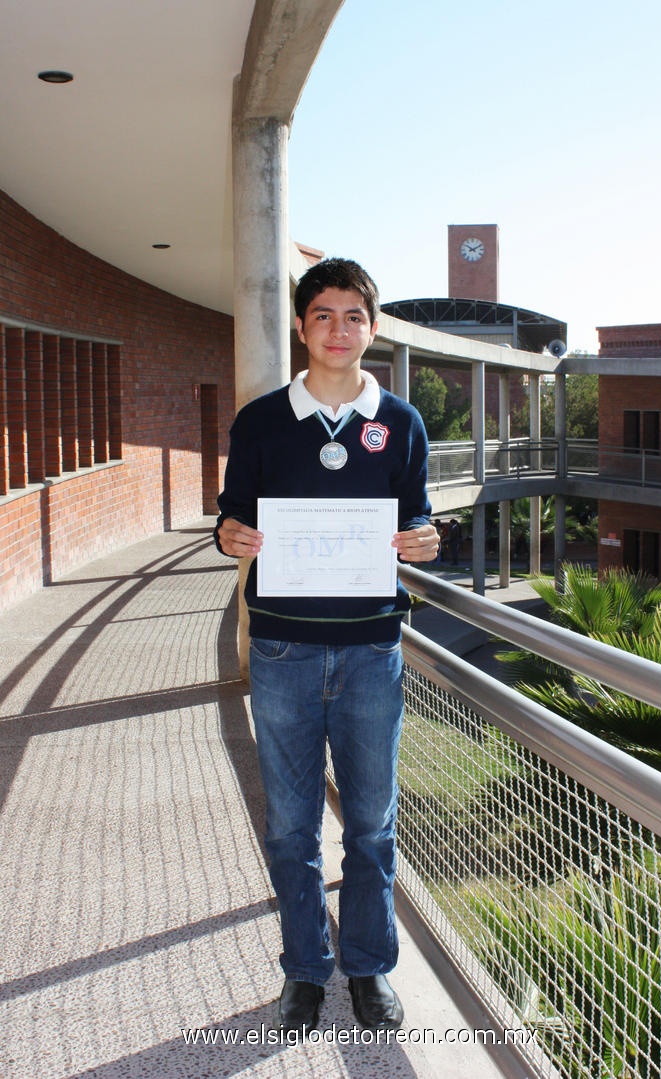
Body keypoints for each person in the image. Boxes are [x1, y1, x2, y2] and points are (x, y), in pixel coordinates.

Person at [215, 258, 439, 1035]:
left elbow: (417, 516)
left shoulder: (401, 423)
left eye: (354, 316)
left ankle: (369, 967)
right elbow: (232, 515)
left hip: (373, 650)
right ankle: (306, 971)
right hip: (283, 650)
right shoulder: (262, 421)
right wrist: (228, 533)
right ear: (302, 326)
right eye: (323, 315)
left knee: (373, 824)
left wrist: (424, 539)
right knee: (291, 825)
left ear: (371, 328)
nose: (338, 330)